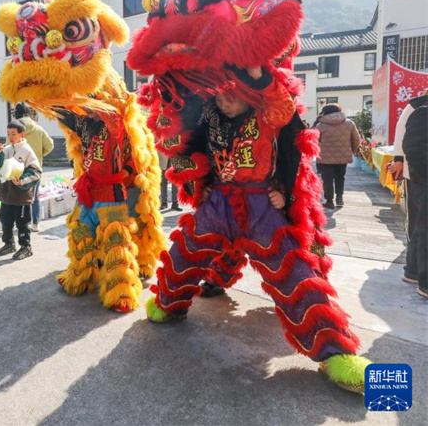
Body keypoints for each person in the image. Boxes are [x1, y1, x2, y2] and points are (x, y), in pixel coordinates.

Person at [147, 67, 369, 390]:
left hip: (260, 208)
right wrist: (198, 183)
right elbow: (178, 149)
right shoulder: (208, 114)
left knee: (295, 274)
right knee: (181, 256)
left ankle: (334, 351)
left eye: (230, 94)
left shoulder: (267, 111)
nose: (224, 102)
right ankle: (169, 304)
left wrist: (258, 74)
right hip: (217, 203)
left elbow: (285, 108)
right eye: (218, 96)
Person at [0, 121, 43, 260]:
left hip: (21, 195)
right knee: (5, 220)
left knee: (22, 222)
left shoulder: (27, 151)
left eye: (13, 134)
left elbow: (36, 172)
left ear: (22, 134)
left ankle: (26, 247)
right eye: (8, 134)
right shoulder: (7, 149)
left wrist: (22, 180)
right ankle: (9, 244)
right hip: (6, 193)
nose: (10, 137)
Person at [391, 94, 428, 298]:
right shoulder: (419, 107)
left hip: (416, 173)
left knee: (420, 224)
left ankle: (413, 271)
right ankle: (423, 279)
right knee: (421, 225)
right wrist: (398, 159)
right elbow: (406, 140)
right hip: (418, 174)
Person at [14, 102, 54, 231]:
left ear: (16, 114)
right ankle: (35, 224)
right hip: (36, 167)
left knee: (19, 196)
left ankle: (22, 224)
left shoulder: (14, 129)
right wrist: (40, 154)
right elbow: (50, 145)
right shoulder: (38, 128)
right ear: (28, 112)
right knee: (34, 196)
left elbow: (8, 147)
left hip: (18, 167)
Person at [314, 104, 361, 209]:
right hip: (342, 156)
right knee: (340, 177)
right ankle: (339, 198)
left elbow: (316, 141)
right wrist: (352, 151)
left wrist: (318, 153)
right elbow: (356, 139)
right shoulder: (349, 123)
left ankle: (329, 201)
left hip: (325, 157)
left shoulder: (320, 125)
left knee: (327, 179)